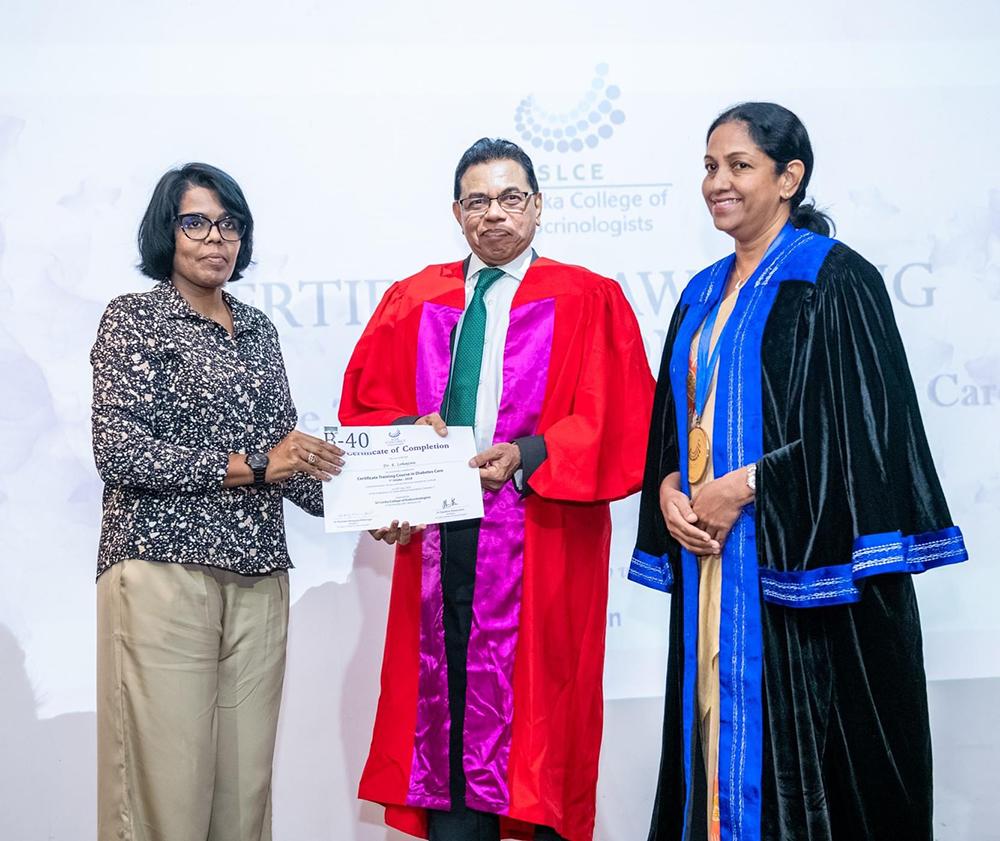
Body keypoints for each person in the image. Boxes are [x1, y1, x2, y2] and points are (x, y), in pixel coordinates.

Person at [630, 102, 968, 841]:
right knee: (709, 739)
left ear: (789, 178)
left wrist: (748, 485)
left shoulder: (835, 280)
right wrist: (669, 487)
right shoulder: (700, 292)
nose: (717, 182)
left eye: (738, 166)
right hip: (714, 572)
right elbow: (673, 426)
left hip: (809, 584)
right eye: (709, 167)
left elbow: (868, 437)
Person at [340, 137, 655, 841]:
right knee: (446, 702)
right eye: (477, 200)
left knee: (542, 713)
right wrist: (407, 442)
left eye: (511, 198)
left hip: (542, 538)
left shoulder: (589, 298)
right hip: (441, 539)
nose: (494, 213)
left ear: (537, 206)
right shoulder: (413, 299)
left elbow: (624, 417)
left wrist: (530, 453)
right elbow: (365, 408)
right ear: (457, 212)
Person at [91, 162, 344, 841]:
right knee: (166, 795)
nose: (215, 238)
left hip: (259, 576)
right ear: (166, 231)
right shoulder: (134, 318)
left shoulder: (258, 329)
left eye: (229, 224)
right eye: (196, 222)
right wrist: (253, 464)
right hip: (162, 571)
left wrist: (379, 498)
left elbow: (287, 460)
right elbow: (121, 452)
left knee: (243, 797)